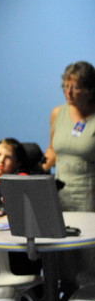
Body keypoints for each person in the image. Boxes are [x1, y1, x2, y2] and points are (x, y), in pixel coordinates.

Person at [43, 61, 95, 212]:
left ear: (90, 90)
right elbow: (51, 151)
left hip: (89, 198)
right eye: (65, 86)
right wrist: (34, 172)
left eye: (75, 87)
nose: (68, 92)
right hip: (60, 195)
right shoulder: (57, 113)